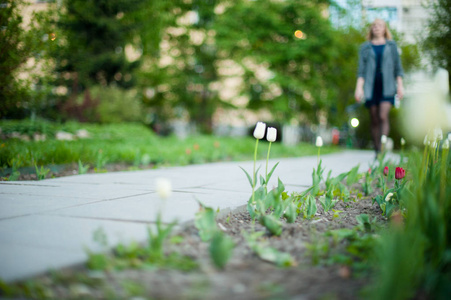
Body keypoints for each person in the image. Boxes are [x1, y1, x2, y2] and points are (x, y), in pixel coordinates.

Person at [354, 18, 404, 157]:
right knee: (374, 118)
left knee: (383, 115)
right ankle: (376, 149)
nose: (376, 27)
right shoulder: (365, 47)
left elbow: (397, 68)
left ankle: (381, 149)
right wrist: (359, 88)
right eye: (374, 25)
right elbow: (361, 70)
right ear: (371, 29)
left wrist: (400, 85)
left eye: (380, 25)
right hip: (371, 85)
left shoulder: (392, 46)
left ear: (384, 29)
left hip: (387, 84)